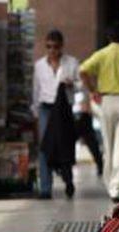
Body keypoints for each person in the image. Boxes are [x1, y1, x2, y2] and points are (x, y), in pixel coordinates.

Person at [79, 22, 119, 202]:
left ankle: (111, 183)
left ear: (109, 37)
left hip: (107, 101)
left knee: (109, 145)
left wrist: (93, 90)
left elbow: (83, 70)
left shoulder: (102, 54)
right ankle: (116, 187)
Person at [31, 29, 79, 199]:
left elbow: (80, 86)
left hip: (64, 109)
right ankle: (45, 187)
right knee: (45, 146)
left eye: (55, 47)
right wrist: (35, 111)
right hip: (46, 108)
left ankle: (68, 180)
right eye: (48, 47)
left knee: (64, 145)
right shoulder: (39, 65)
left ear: (61, 47)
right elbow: (36, 90)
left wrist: (71, 85)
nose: (52, 50)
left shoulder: (71, 63)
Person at [73, 91, 103, 176]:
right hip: (75, 113)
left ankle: (100, 165)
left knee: (92, 143)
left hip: (84, 115)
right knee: (69, 143)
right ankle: (65, 166)